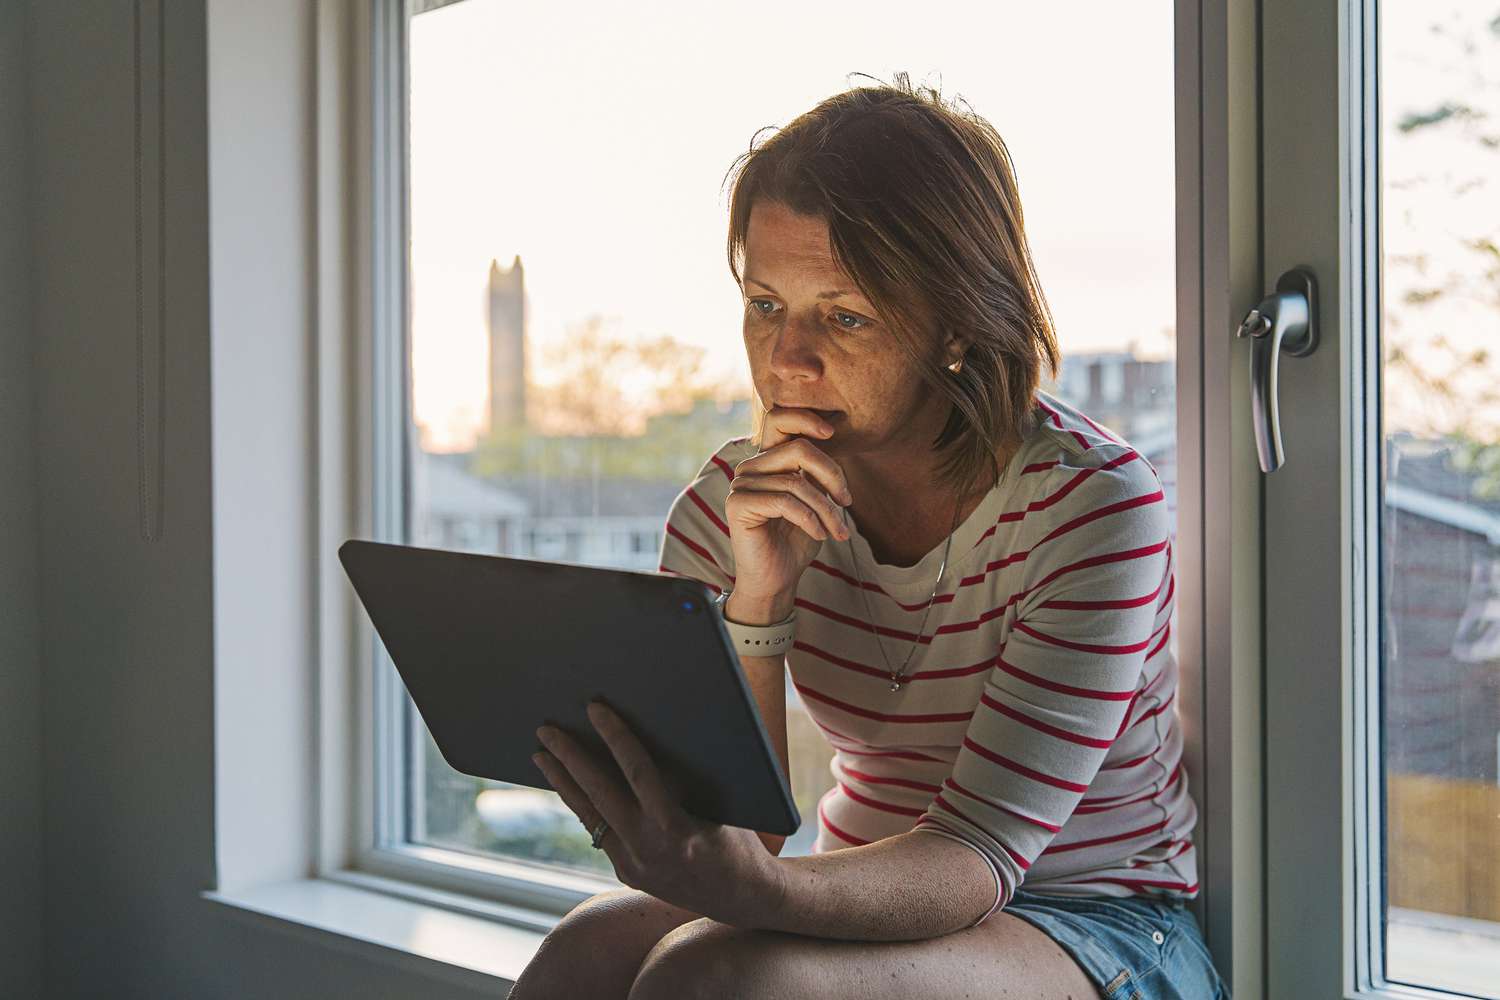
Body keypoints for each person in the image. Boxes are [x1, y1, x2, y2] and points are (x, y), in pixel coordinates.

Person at [511, 74, 1230, 1000]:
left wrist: (758, 888)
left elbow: (973, 856)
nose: (787, 359)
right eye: (766, 304)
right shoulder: (733, 504)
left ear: (958, 326)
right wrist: (757, 603)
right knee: (585, 950)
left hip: (1096, 921)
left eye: (843, 317)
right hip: (857, 879)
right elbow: (747, 836)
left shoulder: (1092, 508)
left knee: (715, 977)